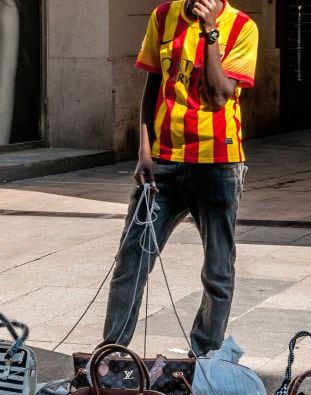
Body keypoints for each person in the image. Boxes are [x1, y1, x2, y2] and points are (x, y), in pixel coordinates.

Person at [101, 0, 258, 356]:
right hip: (163, 164)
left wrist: (211, 33)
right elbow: (152, 87)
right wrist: (144, 149)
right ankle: (111, 354)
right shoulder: (162, 16)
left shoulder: (242, 27)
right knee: (131, 260)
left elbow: (219, 95)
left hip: (217, 164)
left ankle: (204, 357)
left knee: (217, 270)